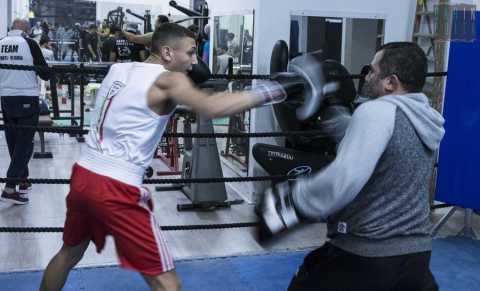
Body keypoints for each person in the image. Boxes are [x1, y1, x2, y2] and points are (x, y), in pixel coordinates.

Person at [39, 22, 305, 291]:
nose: (194, 62)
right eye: (190, 53)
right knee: (168, 284)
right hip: (117, 188)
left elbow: (153, 58)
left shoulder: (119, 69)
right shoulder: (169, 79)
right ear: (167, 53)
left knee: (68, 254)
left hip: (84, 175)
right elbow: (211, 107)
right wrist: (275, 90)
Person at [258, 42, 445, 291]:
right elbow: (375, 141)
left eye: (373, 70)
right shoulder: (423, 118)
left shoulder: (376, 112)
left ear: (391, 82)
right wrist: (330, 107)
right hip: (416, 257)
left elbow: (343, 179)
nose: (366, 76)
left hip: (365, 256)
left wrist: (291, 201)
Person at [0, 19, 52, 204]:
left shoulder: (1, 43)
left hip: (5, 99)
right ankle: (9, 188)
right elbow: (45, 73)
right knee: (25, 145)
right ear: (26, 29)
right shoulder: (29, 43)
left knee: (14, 142)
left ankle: (23, 182)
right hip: (26, 99)